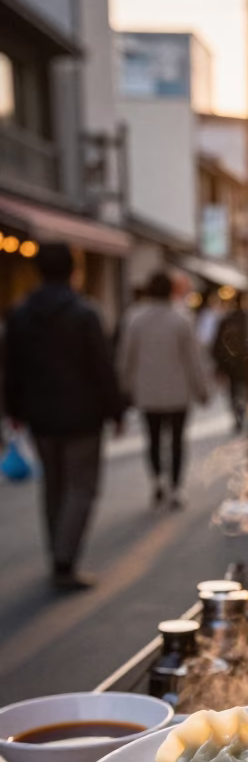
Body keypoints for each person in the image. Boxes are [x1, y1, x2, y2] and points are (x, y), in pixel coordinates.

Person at [4, 242, 124, 591]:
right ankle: (64, 560)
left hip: (40, 416)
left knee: (53, 487)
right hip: (83, 416)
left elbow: (11, 368)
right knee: (81, 487)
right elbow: (102, 368)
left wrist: (13, 410)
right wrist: (115, 410)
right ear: (74, 270)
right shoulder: (85, 313)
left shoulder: (20, 314)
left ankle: (58, 553)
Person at [118, 271, 209, 509]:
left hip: (147, 390)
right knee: (178, 440)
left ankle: (158, 480)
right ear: (171, 291)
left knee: (153, 438)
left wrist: (124, 386)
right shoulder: (181, 319)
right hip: (178, 391)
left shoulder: (134, 318)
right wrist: (201, 390)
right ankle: (176, 487)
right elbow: (193, 360)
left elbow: (126, 357)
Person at [212, 299, 248, 432]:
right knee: (245, 390)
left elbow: (217, 346)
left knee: (234, 392)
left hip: (232, 365)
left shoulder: (226, 321)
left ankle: (239, 414)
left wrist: (220, 366)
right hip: (246, 364)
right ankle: (244, 412)